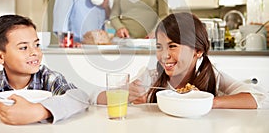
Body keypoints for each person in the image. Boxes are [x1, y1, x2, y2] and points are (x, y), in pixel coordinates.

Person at [97, 12, 269, 109]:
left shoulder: (212, 76)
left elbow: (260, 98)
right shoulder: (152, 77)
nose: (164, 55)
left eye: (172, 46)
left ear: (198, 50)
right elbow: (96, 98)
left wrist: (205, 101)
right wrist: (125, 92)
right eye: (159, 47)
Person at [0, 14, 90, 125]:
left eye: (37, 44)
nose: (35, 52)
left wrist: (40, 111)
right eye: (23, 47)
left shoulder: (49, 79)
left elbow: (80, 98)